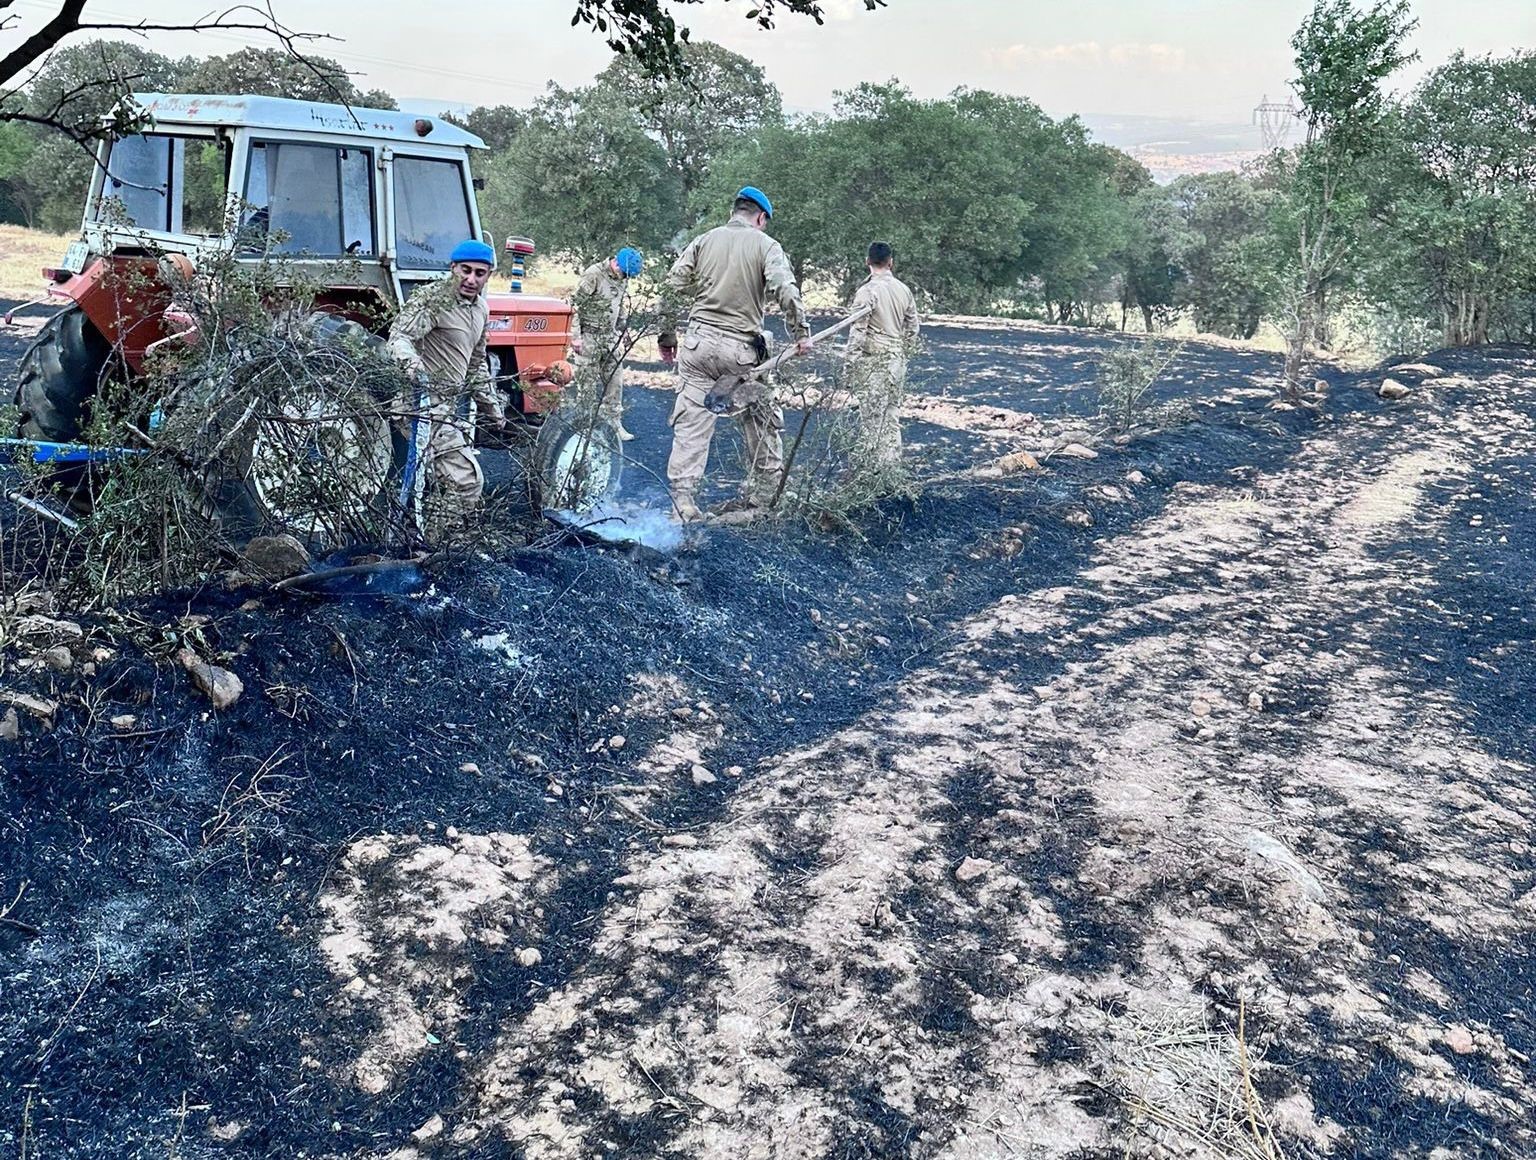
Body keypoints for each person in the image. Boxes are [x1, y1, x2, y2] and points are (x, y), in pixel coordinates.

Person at [660, 186, 810, 522]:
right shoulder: (765, 244)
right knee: (761, 419)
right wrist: (802, 334)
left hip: (697, 347)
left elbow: (671, 286)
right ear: (760, 217)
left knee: (692, 422)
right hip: (740, 353)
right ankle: (764, 496)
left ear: (735, 211)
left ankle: (682, 504)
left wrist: (668, 335)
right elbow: (784, 288)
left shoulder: (703, 240)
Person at [385, 238, 505, 535]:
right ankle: (435, 547)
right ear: (453, 268)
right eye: (465, 270)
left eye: (480, 273)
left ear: (488, 275)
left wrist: (494, 410)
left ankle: (426, 543)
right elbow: (399, 337)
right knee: (465, 480)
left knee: (436, 486)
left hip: (444, 412)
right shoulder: (433, 299)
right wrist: (410, 363)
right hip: (418, 407)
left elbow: (476, 365)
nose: (471, 279)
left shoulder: (481, 311)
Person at [843, 241, 920, 468]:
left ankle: (873, 472)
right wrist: (904, 353)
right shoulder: (904, 290)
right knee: (891, 416)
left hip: (874, 361)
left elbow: (857, 332)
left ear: (867, 261)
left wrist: (849, 367)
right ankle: (892, 468)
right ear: (891, 263)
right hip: (896, 360)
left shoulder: (867, 292)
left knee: (872, 420)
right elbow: (913, 327)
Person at [573, 246, 643, 441]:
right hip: (589, 336)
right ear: (616, 263)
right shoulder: (594, 274)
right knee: (586, 384)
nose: (626, 277)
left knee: (615, 382)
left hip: (610, 337)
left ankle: (613, 424)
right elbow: (575, 305)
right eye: (625, 273)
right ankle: (584, 428)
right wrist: (575, 336)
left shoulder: (622, 278)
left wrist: (624, 329)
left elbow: (619, 305)